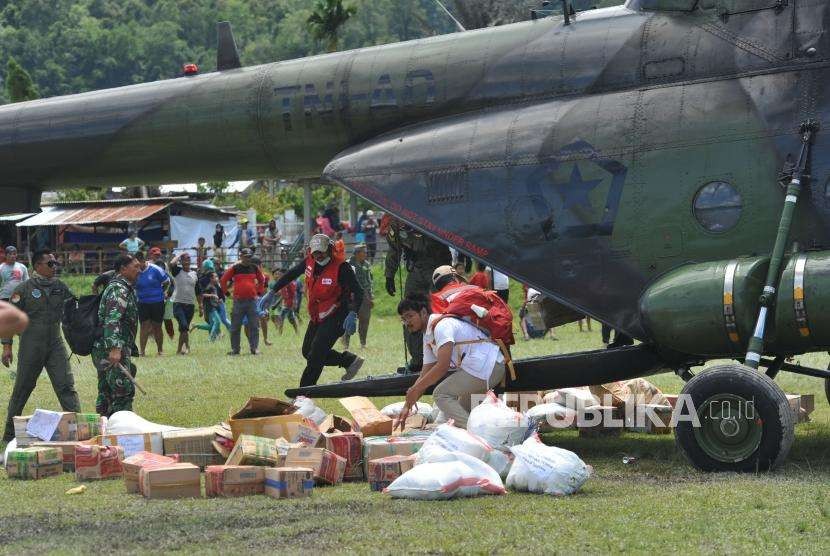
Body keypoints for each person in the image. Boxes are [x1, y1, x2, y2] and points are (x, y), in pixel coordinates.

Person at [2, 250, 81, 441]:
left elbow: (75, 309)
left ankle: (79, 430)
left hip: (55, 344)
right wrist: (6, 346)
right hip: (31, 345)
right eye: (50, 264)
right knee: (22, 388)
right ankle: (9, 435)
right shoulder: (23, 289)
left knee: (66, 386)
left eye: (55, 263)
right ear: (38, 266)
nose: (55, 267)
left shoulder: (60, 287)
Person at [266, 234, 364, 387]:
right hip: (318, 315)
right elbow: (292, 274)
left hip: (338, 315)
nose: (319, 256)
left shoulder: (342, 267)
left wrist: (353, 313)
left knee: (316, 354)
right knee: (307, 352)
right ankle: (349, 361)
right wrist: (273, 290)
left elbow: (358, 291)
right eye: (315, 252)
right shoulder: (310, 261)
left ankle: (303, 394)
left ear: (330, 250)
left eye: (322, 252)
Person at [396, 293, 505, 429]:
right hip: (481, 368)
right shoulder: (428, 335)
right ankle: (477, 436)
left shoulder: (442, 326)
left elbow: (442, 366)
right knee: (458, 411)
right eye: (403, 319)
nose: (407, 322)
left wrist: (415, 389)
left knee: (441, 394)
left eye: (410, 316)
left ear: (423, 312)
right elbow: (424, 374)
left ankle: (475, 434)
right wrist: (407, 406)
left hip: (490, 366)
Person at [384, 217, 452, 373]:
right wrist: (389, 275)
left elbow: (456, 233)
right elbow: (394, 249)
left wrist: (463, 255)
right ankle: (418, 360)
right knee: (409, 313)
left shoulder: (428, 214)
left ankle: (445, 357)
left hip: (439, 267)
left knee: (441, 312)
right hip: (416, 269)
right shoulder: (395, 222)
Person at [92, 254, 140, 417]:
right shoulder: (118, 289)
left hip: (107, 347)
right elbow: (113, 320)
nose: (139, 270)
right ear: (123, 269)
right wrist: (115, 349)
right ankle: (122, 429)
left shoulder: (121, 287)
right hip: (111, 349)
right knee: (122, 391)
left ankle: (104, 426)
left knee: (106, 390)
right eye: (135, 267)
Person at [221, 248, 267, 355]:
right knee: (235, 327)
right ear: (241, 256)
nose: (247, 259)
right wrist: (227, 293)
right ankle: (235, 349)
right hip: (238, 301)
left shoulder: (254, 268)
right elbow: (223, 280)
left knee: (254, 326)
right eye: (245, 257)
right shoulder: (235, 268)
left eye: (249, 257)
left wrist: (259, 292)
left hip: (252, 301)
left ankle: (254, 348)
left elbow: (262, 280)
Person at [136, 251, 171, 356]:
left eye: (139, 264)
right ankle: (142, 352)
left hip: (157, 302)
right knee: (143, 326)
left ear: (143, 260)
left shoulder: (156, 269)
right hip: (142, 302)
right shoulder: (135, 271)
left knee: (157, 326)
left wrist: (162, 292)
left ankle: (160, 350)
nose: (137, 267)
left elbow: (167, 281)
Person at [342, 244, 373, 349]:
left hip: (365, 295)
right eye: (363, 252)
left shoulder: (367, 265)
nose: (366, 254)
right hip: (352, 295)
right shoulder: (348, 264)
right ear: (357, 253)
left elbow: (370, 280)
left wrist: (371, 295)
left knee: (365, 320)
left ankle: (363, 343)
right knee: (350, 318)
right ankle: (346, 342)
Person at [169, 252, 200, 355]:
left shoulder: (194, 274)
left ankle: (179, 350)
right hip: (178, 303)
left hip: (190, 305)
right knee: (184, 325)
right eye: (184, 259)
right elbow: (172, 263)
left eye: (188, 259)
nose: (186, 261)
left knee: (184, 329)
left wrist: (201, 306)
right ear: (181, 261)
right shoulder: (177, 271)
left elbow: (198, 291)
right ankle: (186, 348)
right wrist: (180, 254)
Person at [149, 247, 176, 340]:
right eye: (155, 255)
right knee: (152, 318)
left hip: (165, 294)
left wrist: (168, 293)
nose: (157, 256)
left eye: (158, 255)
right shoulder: (147, 265)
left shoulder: (163, 264)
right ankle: (152, 337)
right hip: (152, 295)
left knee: (167, 318)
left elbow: (169, 279)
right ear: (151, 255)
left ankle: (171, 336)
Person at [193, 272, 223, 341]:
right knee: (217, 322)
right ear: (211, 279)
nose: (217, 278)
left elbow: (213, 299)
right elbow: (202, 294)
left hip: (213, 306)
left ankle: (196, 326)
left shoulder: (214, 287)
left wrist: (218, 301)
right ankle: (211, 339)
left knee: (211, 325)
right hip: (210, 307)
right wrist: (212, 295)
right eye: (215, 277)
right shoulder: (209, 287)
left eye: (217, 277)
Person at [273, 268, 299, 335]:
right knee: (291, 319)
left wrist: (294, 303)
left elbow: (294, 293)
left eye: (279, 274)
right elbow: (283, 295)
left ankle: (279, 333)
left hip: (289, 303)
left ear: (284, 274)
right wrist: (276, 304)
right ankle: (297, 331)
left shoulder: (289, 282)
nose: (278, 276)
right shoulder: (282, 283)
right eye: (278, 274)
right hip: (285, 303)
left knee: (281, 317)